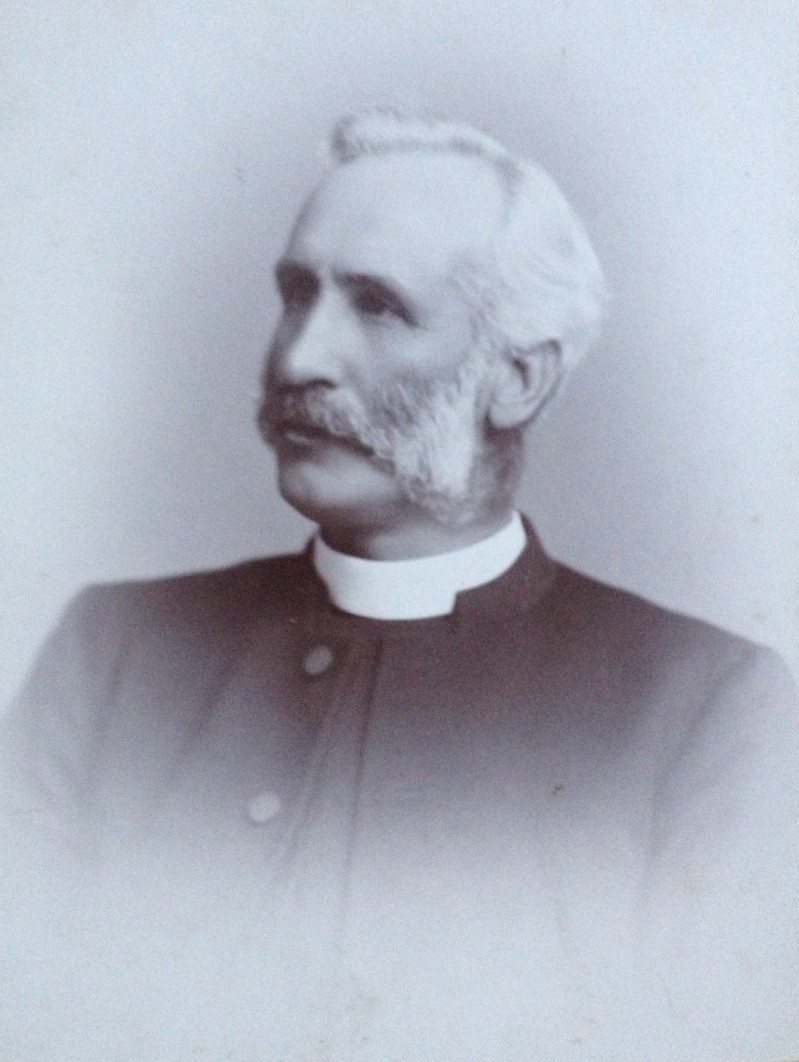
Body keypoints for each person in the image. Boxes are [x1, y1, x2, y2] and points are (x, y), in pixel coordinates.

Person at [2, 109, 798, 1061]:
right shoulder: (113, 651)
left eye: (377, 305)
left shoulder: (704, 706)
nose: (296, 359)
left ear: (517, 380)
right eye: (296, 294)